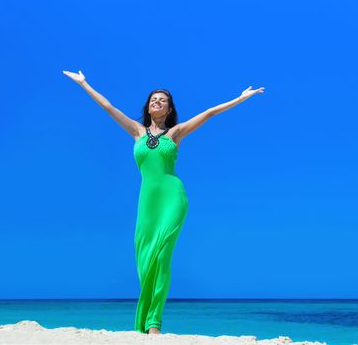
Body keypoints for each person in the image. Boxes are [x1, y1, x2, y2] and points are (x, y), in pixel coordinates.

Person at [63, 69, 264, 334]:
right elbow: (108, 106)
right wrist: (84, 83)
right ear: (148, 107)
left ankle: (154, 322)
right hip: (147, 203)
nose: (156, 102)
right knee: (145, 258)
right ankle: (144, 319)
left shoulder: (176, 134)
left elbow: (210, 113)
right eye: (153, 99)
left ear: (169, 109)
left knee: (163, 255)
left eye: (162, 100)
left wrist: (240, 98)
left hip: (172, 198)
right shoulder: (137, 131)